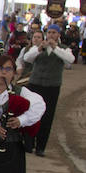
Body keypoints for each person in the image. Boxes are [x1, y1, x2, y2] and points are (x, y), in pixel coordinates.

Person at [17, 26, 72, 156]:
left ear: (59, 35)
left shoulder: (63, 48)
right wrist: (40, 48)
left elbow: (70, 60)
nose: (51, 35)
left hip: (52, 86)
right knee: (31, 112)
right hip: (35, 84)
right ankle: (29, 143)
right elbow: (27, 58)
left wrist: (55, 48)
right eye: (49, 33)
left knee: (47, 115)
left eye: (54, 33)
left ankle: (41, 146)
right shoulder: (39, 47)